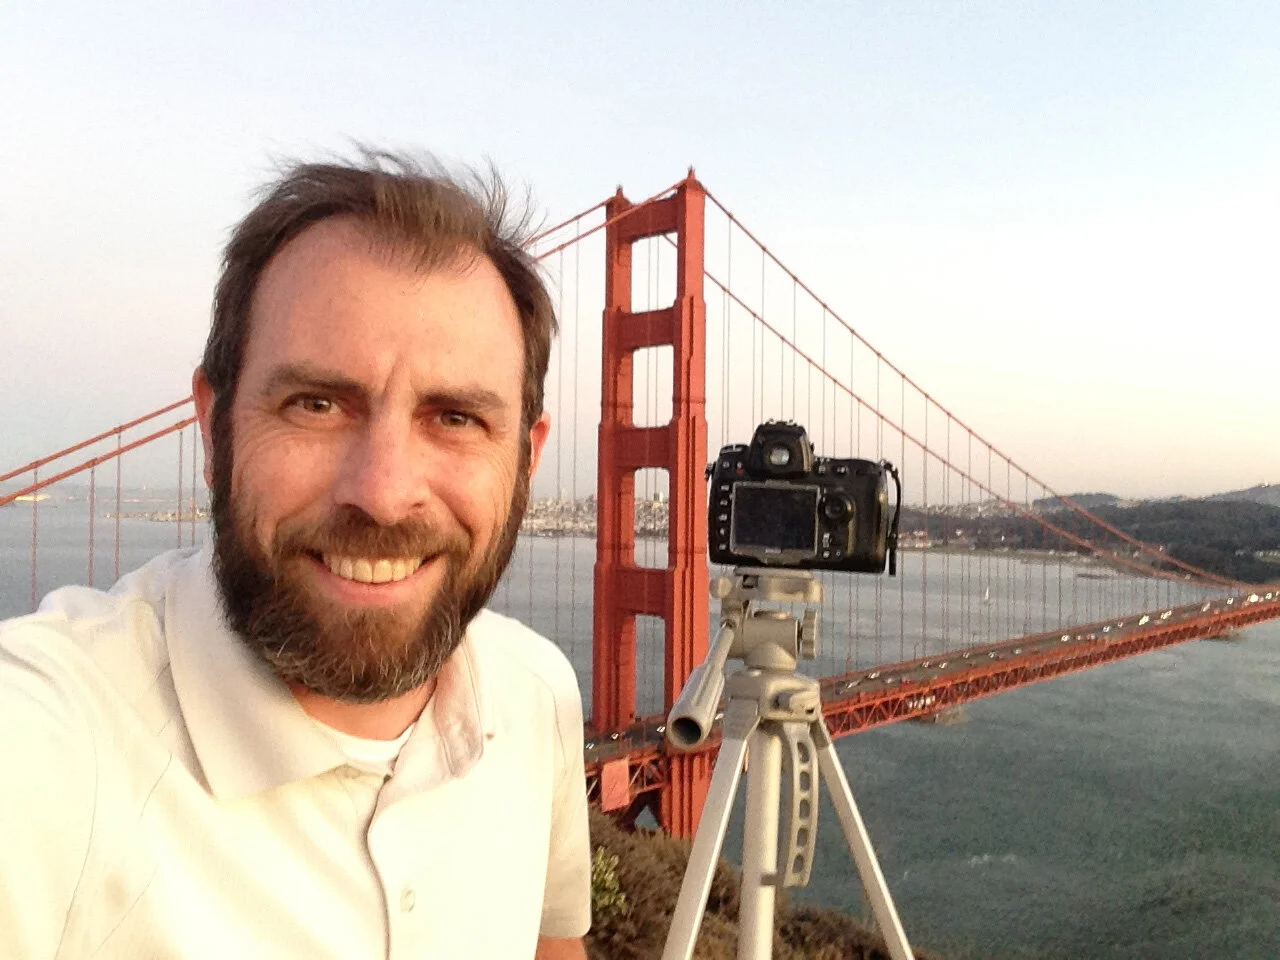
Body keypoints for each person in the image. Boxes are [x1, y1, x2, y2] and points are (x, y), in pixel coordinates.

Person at [0, 152, 591, 959]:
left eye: (455, 418)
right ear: (217, 428)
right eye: (315, 404)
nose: (383, 493)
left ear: (527, 459)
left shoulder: (538, 693)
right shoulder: (50, 748)